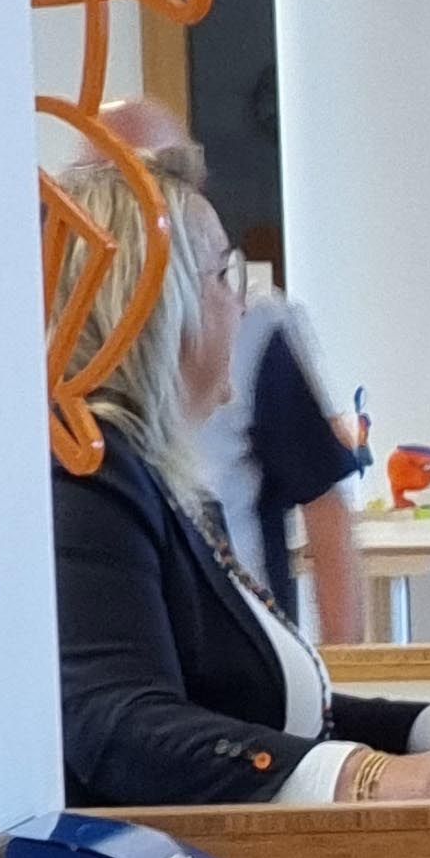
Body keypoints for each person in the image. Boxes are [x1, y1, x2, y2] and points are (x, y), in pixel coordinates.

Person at [50, 151, 430, 807]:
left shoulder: (160, 479)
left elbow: (268, 712)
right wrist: (369, 776)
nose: (243, 305)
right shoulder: (88, 475)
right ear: (158, 303)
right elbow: (123, 729)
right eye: (224, 275)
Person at [94, 96, 365, 646]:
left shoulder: (254, 322)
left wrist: (343, 667)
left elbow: (325, 503)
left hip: (245, 640)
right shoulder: (53, 334)